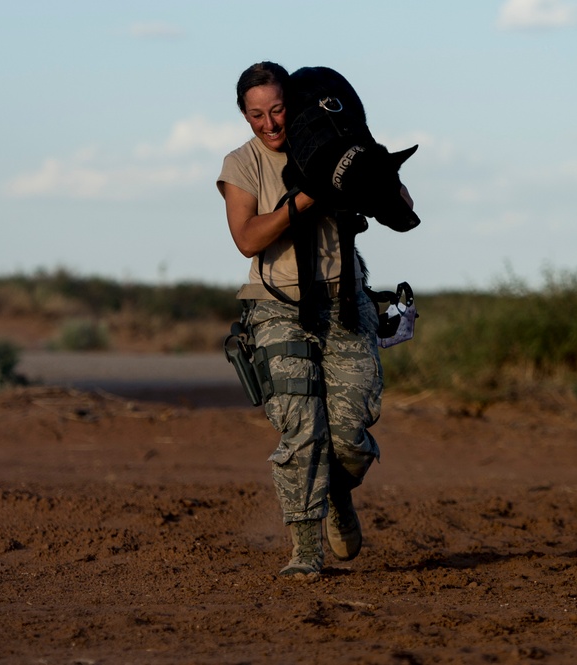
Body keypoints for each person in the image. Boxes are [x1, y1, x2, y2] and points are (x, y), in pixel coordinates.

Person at [217, 61, 398, 580]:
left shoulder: (334, 146)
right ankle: (305, 550)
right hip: (276, 306)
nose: (269, 123)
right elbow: (248, 238)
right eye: (256, 114)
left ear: (292, 105)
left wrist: (365, 161)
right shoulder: (241, 163)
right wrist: (307, 195)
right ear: (244, 116)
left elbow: (402, 208)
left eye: (277, 109)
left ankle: (338, 491)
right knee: (302, 430)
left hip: (345, 302)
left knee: (349, 432)